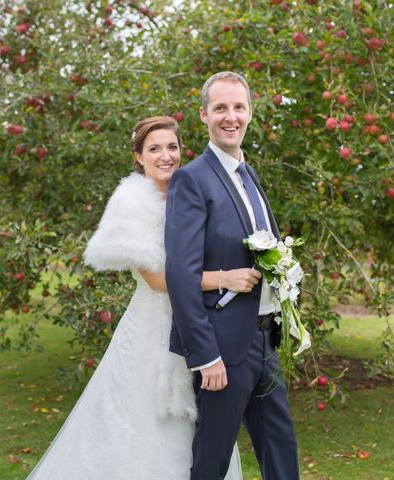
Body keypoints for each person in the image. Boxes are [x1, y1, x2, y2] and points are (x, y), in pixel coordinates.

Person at [26, 116, 256, 479]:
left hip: (200, 323)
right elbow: (159, 279)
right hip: (154, 330)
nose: (165, 156)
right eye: (154, 149)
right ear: (138, 156)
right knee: (144, 426)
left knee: (205, 427)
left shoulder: (194, 191)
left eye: (172, 147)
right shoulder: (133, 203)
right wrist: (224, 278)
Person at [165, 72, 300, 479]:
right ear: (204, 115)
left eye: (238, 107)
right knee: (212, 461)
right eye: (220, 108)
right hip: (222, 350)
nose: (231, 116)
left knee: (281, 449)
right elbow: (181, 274)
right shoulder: (191, 179)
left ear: (250, 114)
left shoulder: (249, 174)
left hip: (264, 342)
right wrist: (206, 356)